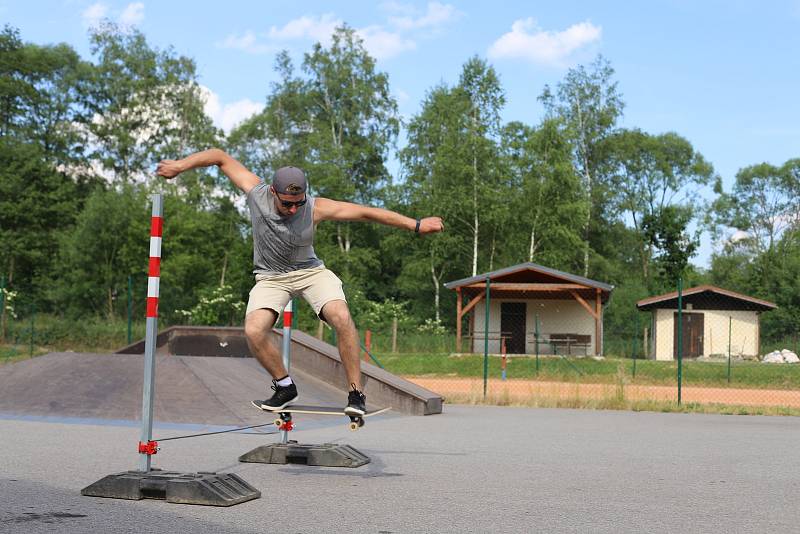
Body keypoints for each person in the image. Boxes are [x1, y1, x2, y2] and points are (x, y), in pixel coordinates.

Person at [156, 148, 444, 415]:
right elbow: (219, 156)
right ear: (273, 192)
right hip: (270, 277)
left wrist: (416, 225)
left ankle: (356, 394)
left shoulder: (315, 207)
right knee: (254, 331)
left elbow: (367, 212)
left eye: (299, 203)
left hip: (310, 273)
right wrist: (180, 166)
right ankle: (284, 386)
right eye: (287, 204)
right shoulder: (256, 192)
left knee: (341, 316)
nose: (294, 210)